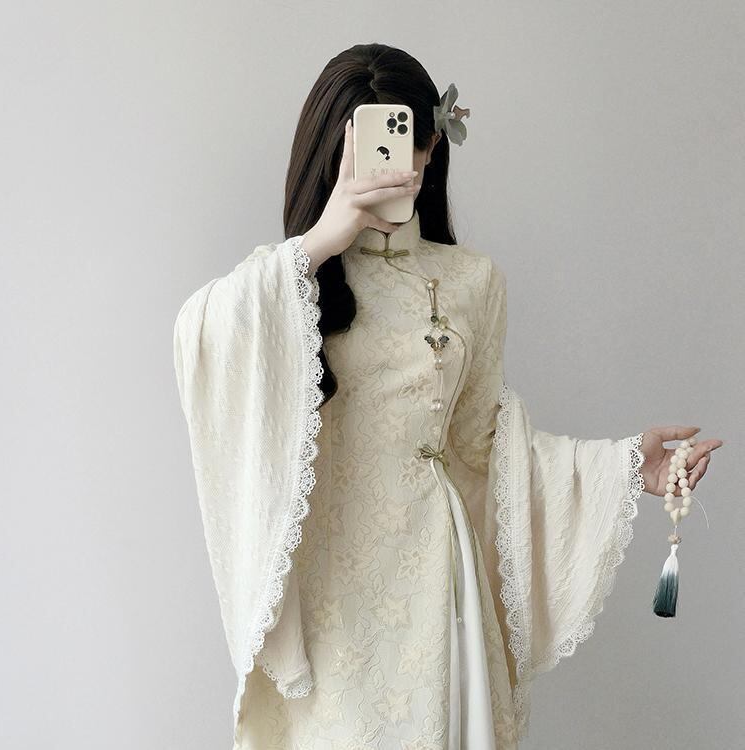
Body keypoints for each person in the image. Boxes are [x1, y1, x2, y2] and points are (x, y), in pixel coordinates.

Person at [172, 43, 723, 750]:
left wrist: (621, 466)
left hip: (436, 583)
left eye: (404, 143)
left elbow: (482, 447)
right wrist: (320, 241)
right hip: (328, 600)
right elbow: (199, 339)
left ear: (431, 147)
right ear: (332, 151)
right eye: (366, 147)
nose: (388, 166)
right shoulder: (283, 282)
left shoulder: (472, 281)